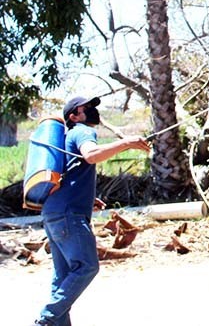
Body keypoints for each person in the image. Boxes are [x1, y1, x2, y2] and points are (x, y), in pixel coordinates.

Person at [32, 95, 150, 326]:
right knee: (87, 266)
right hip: (68, 214)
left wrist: (87, 197)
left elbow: (69, 175)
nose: (93, 111)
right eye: (86, 108)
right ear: (74, 115)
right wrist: (126, 142)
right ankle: (46, 318)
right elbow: (91, 155)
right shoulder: (82, 131)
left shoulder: (67, 138)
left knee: (63, 275)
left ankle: (55, 323)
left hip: (54, 211)